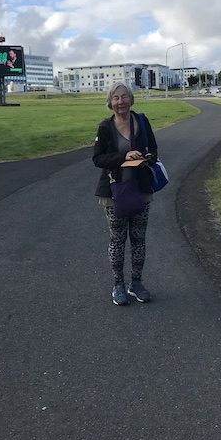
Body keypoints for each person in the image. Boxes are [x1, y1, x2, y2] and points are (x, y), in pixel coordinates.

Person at [93, 82, 158, 306]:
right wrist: (124, 156)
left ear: (131, 99)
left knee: (139, 239)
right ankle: (118, 285)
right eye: (116, 98)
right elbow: (98, 159)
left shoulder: (141, 121)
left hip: (140, 189)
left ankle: (136, 283)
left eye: (124, 97)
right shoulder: (105, 127)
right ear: (110, 103)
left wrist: (146, 157)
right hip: (115, 192)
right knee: (118, 239)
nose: (120, 102)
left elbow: (154, 149)